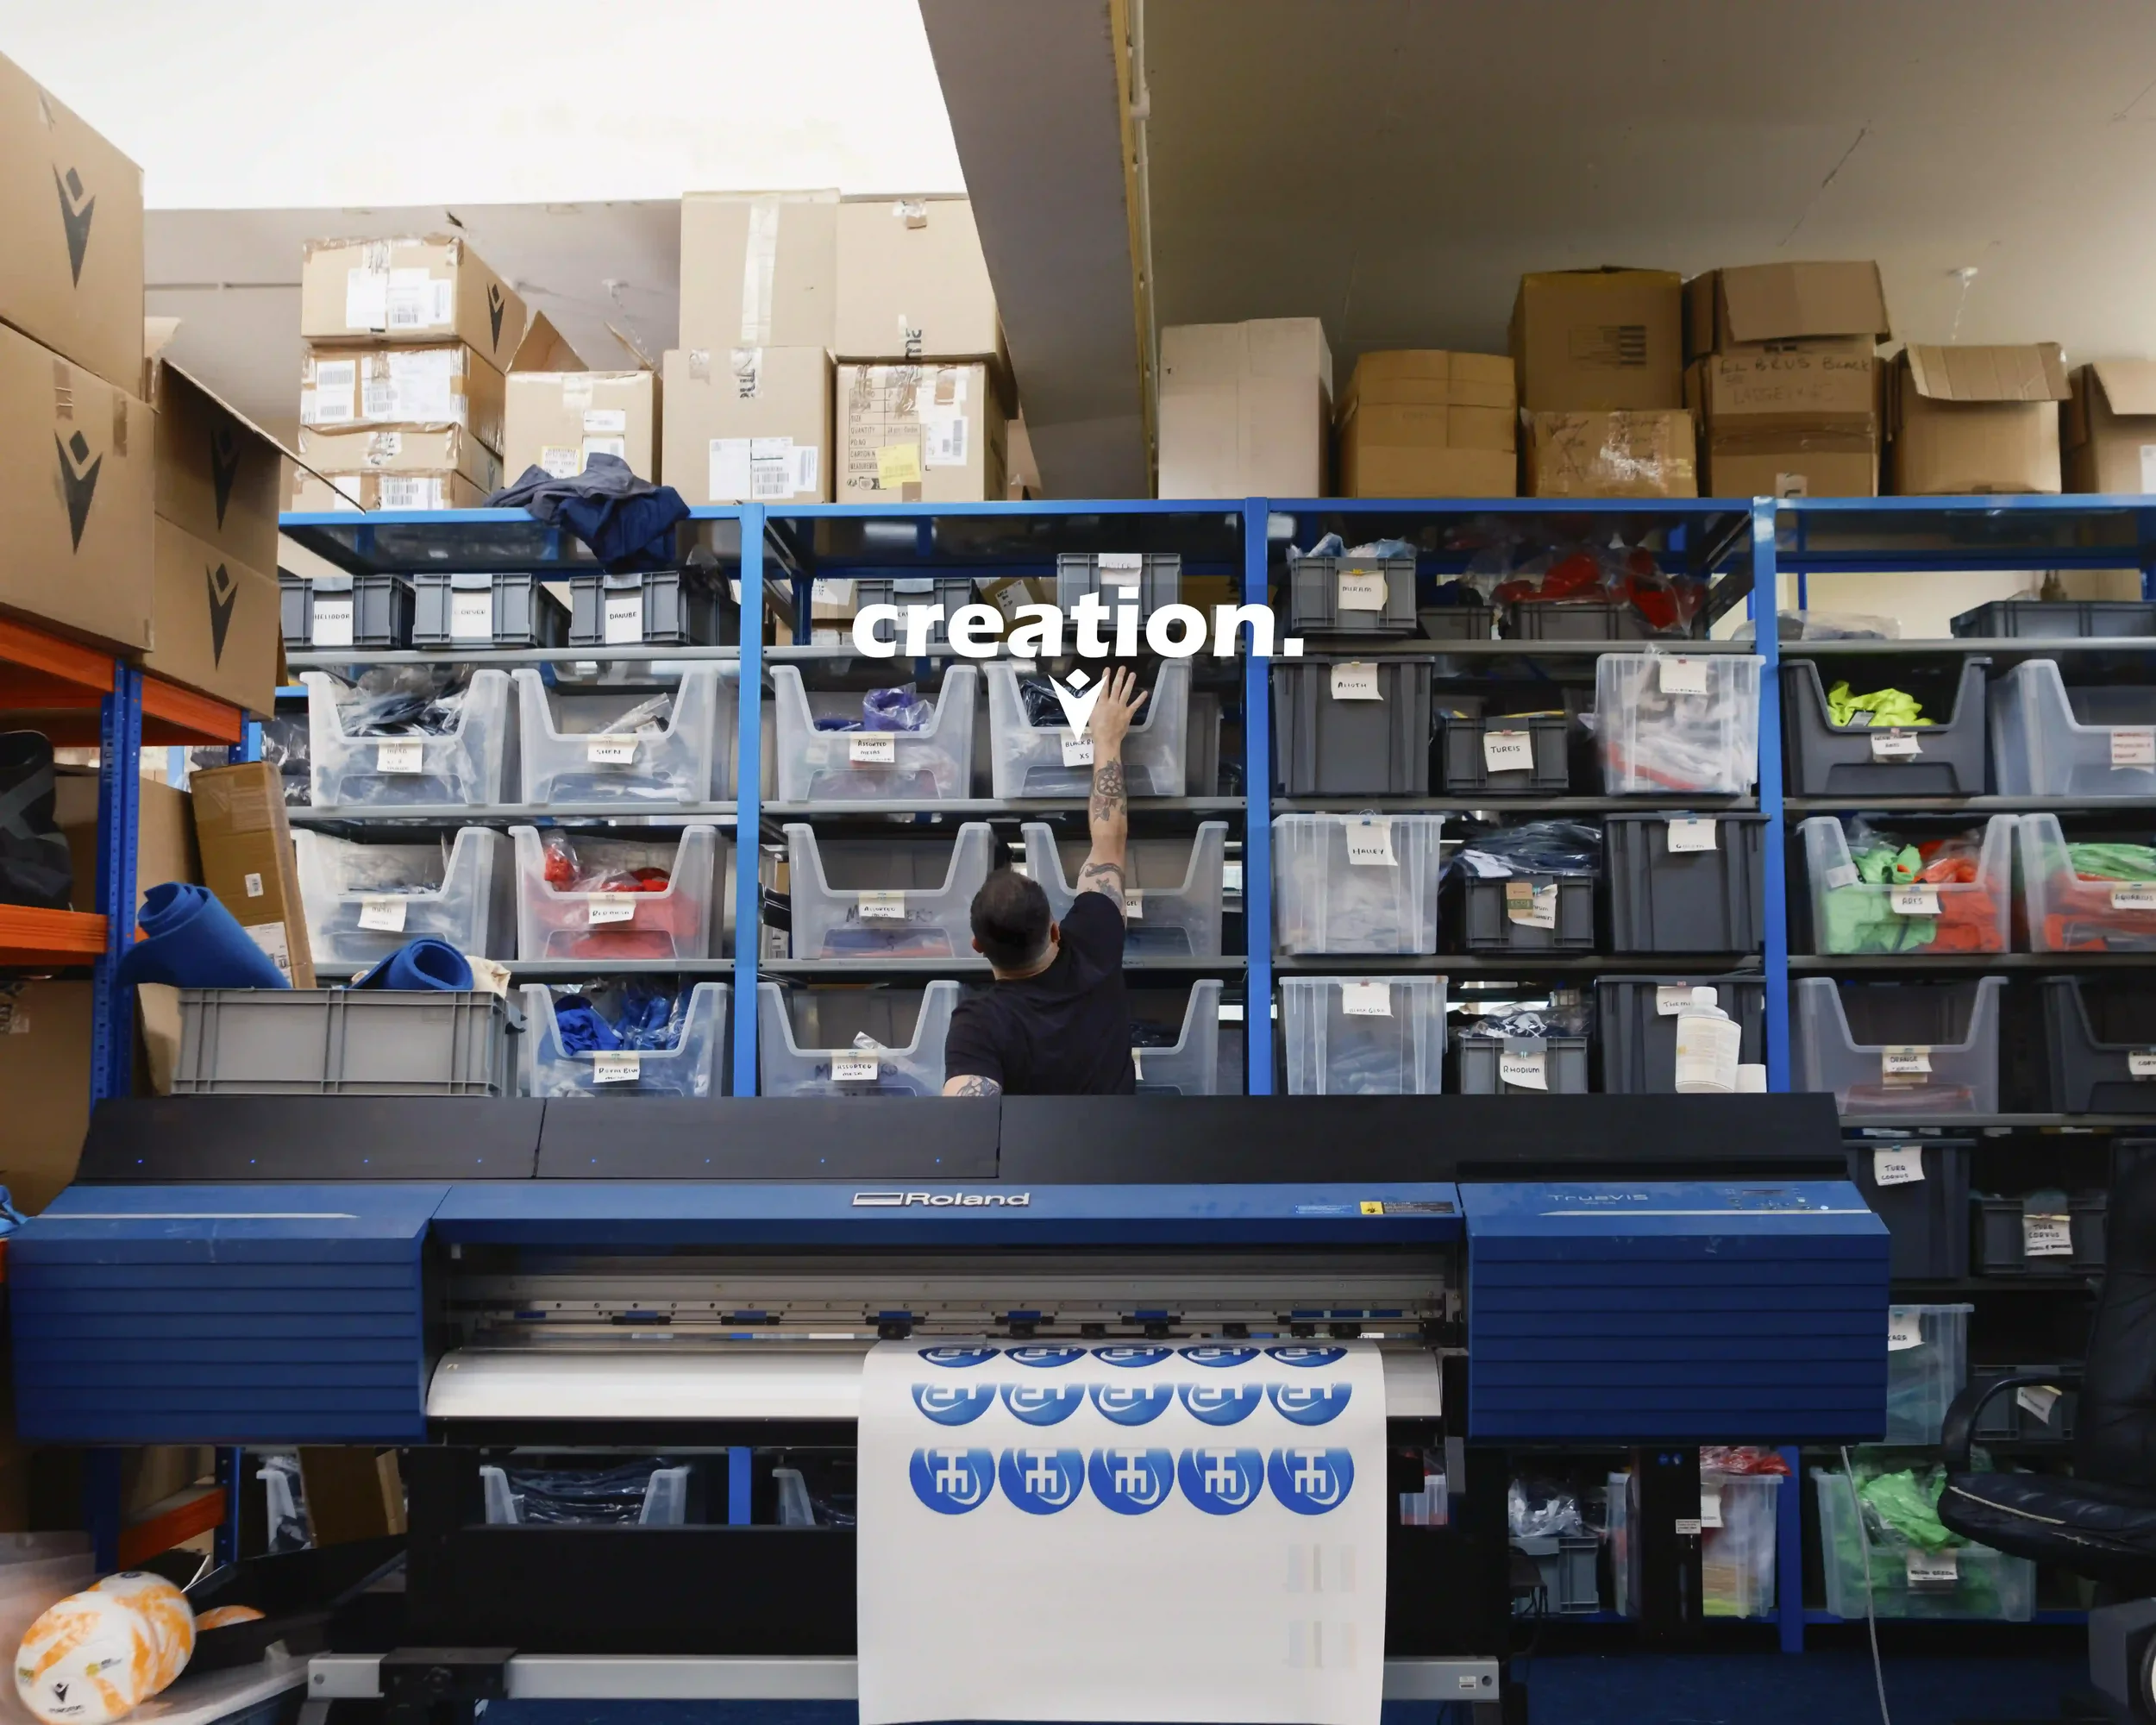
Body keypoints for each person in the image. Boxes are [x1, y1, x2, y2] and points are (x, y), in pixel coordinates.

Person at [942, 666, 1149, 1097]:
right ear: (1055, 929)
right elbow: (1110, 838)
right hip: (1121, 1159)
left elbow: (963, 1126)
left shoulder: (978, 1023)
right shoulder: (1094, 942)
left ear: (978, 946)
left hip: (1033, 1166)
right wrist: (1107, 738)